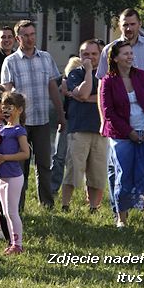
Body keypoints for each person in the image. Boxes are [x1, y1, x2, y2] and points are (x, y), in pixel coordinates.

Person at [97, 8, 144, 218]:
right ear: (119, 25)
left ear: (139, 24)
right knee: (117, 169)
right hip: (119, 125)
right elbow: (104, 93)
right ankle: (118, 212)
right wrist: (105, 122)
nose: (129, 28)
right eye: (125, 24)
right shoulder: (109, 50)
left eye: (132, 24)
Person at [1, 19, 65, 209]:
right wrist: (9, 121)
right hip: (19, 123)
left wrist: (61, 114)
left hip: (42, 119)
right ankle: (17, 205)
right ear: (18, 38)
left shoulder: (45, 57)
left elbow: (53, 87)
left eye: (32, 34)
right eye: (25, 35)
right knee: (19, 165)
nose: (30, 39)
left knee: (44, 164)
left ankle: (46, 204)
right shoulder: (10, 62)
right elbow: (7, 94)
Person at [99, 41, 144, 228]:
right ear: (115, 58)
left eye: (131, 53)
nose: (130, 56)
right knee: (123, 175)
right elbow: (108, 112)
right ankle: (122, 218)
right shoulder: (108, 81)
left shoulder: (141, 76)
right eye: (125, 54)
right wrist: (130, 132)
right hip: (121, 136)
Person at [61, 40, 108, 212]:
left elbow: (109, 99)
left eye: (94, 54)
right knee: (74, 170)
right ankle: (65, 205)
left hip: (101, 129)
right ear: (80, 55)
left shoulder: (107, 75)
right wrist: (88, 71)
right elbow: (84, 92)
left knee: (97, 172)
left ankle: (94, 207)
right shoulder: (75, 73)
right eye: (85, 54)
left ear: (100, 55)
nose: (90, 57)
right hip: (78, 128)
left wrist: (83, 98)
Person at [0, 92, 29, 254]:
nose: (6, 110)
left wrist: (4, 158)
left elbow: (25, 153)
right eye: (4, 107)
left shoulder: (18, 130)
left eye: (10, 107)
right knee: (5, 212)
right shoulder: (0, 128)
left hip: (13, 177)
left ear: (19, 110)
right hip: (1, 176)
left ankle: (18, 243)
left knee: (12, 211)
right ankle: (12, 241)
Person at [50, 56, 82, 196]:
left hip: (82, 124)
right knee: (59, 156)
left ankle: (82, 191)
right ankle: (53, 188)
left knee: (77, 158)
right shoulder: (61, 84)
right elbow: (56, 106)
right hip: (66, 122)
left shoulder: (87, 83)